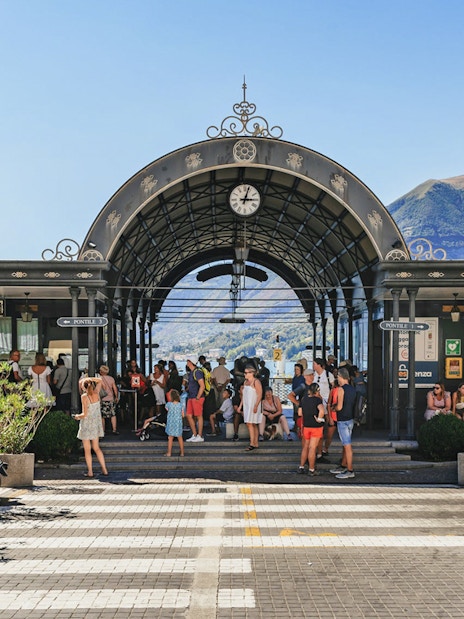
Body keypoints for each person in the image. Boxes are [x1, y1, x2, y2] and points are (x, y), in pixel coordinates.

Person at [74, 377, 109, 478]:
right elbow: (100, 380)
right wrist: (90, 379)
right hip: (95, 424)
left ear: (84, 387)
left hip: (86, 425)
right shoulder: (97, 393)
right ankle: (105, 469)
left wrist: (77, 416)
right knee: (97, 448)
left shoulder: (84, 397)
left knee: (87, 450)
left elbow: (85, 414)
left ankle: (90, 471)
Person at [329, 367, 357, 479]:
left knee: (347, 445)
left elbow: (339, 407)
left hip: (342, 420)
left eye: (338, 377)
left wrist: (333, 408)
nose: (337, 379)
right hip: (350, 419)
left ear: (340, 377)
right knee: (346, 445)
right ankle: (344, 465)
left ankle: (350, 469)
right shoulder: (352, 389)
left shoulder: (341, 389)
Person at [297, 383, 326, 476]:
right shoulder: (318, 400)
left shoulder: (304, 399)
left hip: (306, 426)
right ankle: (311, 469)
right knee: (312, 448)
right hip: (316, 426)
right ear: (317, 391)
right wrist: (319, 419)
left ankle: (301, 467)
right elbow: (321, 410)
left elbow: (300, 413)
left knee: (305, 447)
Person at [238, 365, 262, 451]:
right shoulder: (245, 382)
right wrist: (240, 406)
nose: (245, 374)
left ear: (252, 373)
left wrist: (256, 405)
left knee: (251, 423)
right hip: (247, 405)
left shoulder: (256, 382)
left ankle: (253, 443)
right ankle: (255, 442)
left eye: (246, 373)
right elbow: (244, 396)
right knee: (251, 423)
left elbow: (259, 394)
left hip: (253, 404)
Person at [185, 359, 206, 442]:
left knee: (198, 415)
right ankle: (194, 434)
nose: (187, 363)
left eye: (188, 361)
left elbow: (202, 385)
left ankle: (200, 435)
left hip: (197, 397)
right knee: (189, 415)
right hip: (191, 396)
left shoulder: (197, 372)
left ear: (191, 362)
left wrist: (198, 396)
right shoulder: (192, 372)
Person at [99, 365, 119, 435]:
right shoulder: (111, 379)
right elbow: (115, 389)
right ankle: (114, 429)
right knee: (113, 414)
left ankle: (103, 431)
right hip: (111, 399)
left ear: (101, 371)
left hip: (102, 399)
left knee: (102, 416)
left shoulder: (99, 379)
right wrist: (116, 397)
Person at [164, 389, 184, 457]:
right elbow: (183, 415)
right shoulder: (180, 405)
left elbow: (166, 409)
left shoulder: (169, 404)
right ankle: (182, 452)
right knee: (180, 437)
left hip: (171, 423)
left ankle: (169, 453)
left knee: (170, 438)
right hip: (178, 423)